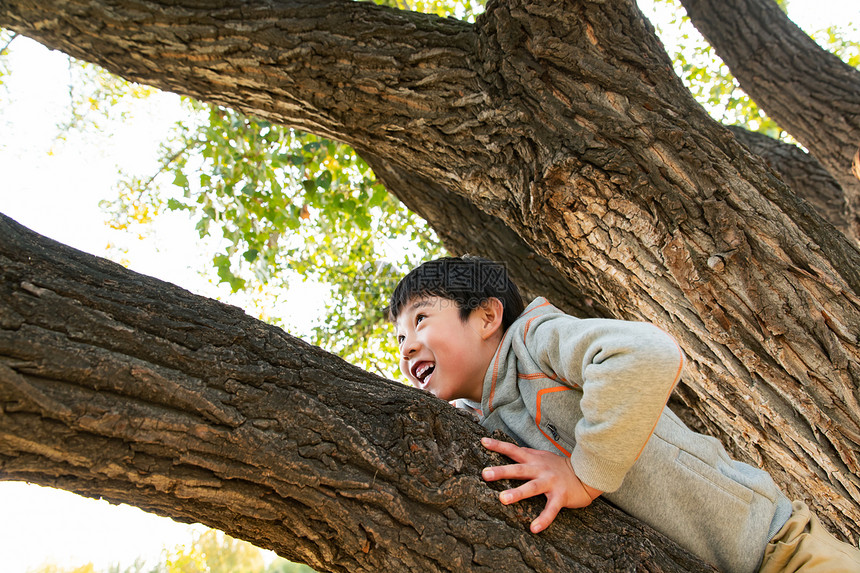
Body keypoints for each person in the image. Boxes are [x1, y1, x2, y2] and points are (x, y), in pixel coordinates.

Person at [388, 256, 860, 573]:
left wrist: (583, 474)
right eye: (398, 339)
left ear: (488, 317)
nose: (407, 345)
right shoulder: (467, 427)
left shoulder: (534, 340)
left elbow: (647, 354)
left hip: (779, 550)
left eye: (421, 320)